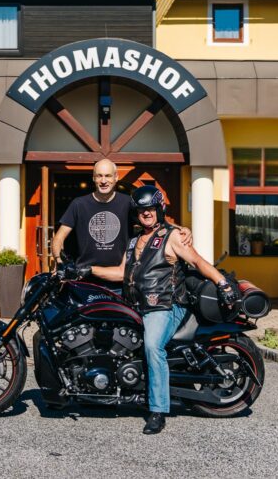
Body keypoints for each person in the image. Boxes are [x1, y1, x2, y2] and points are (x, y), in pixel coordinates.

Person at [84, 185, 236, 435]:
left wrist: (222, 283)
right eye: (142, 210)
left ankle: (158, 411)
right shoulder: (134, 242)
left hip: (165, 306)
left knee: (153, 346)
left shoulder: (173, 236)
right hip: (136, 306)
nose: (146, 213)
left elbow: (197, 260)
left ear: (159, 209)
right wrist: (90, 270)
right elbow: (121, 273)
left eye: (151, 209)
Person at [51, 159, 190, 289]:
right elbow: (59, 237)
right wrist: (59, 261)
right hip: (84, 280)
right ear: (93, 178)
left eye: (108, 176)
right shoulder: (79, 204)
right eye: (99, 176)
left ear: (116, 178)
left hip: (118, 280)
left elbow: (155, 222)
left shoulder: (128, 203)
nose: (103, 181)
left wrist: (181, 229)